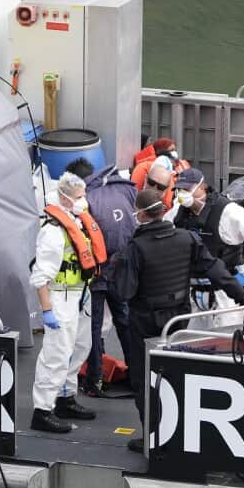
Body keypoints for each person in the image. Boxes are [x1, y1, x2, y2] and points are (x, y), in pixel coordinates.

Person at [109, 188, 244, 452]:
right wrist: (243, 298)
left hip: (144, 323)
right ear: (163, 210)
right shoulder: (187, 239)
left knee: (144, 379)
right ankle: (181, 432)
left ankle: (153, 437)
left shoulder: (136, 247)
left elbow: (123, 292)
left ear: (140, 215)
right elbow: (215, 270)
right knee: (177, 374)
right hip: (179, 320)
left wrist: (116, 266)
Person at [29, 172, 102, 433]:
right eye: (79, 197)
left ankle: (66, 397)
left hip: (80, 295)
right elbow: (40, 277)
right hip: (60, 296)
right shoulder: (52, 231)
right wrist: (47, 311)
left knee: (82, 346)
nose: (84, 201)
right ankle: (42, 409)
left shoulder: (78, 222)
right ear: (64, 197)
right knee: (56, 354)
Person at [166, 168, 244, 328]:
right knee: (190, 343)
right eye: (179, 190)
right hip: (192, 290)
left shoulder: (227, 211)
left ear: (202, 187)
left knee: (224, 342)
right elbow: (163, 231)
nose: (182, 194)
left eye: (186, 189)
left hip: (225, 294)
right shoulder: (178, 212)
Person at [81, 161, 138, 398]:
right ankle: (137, 376)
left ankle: (94, 381)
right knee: (125, 322)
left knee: (93, 327)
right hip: (121, 268)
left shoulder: (87, 197)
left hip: (97, 271)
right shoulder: (125, 188)